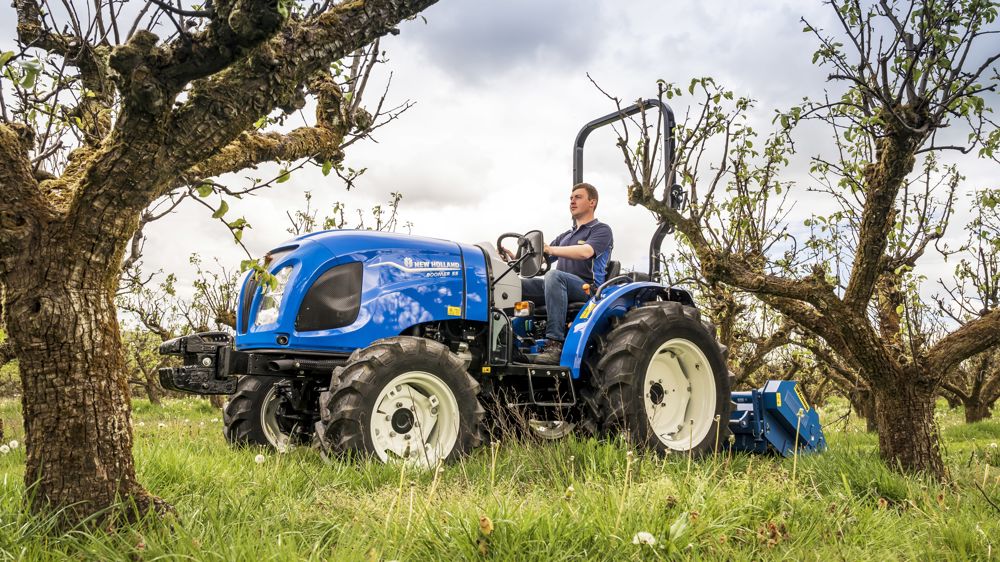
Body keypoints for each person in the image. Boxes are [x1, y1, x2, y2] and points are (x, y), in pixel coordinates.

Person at [521, 182, 613, 364]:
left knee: (553, 276)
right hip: (557, 286)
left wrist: (551, 249)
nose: (572, 201)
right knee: (517, 285)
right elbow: (543, 257)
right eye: (571, 198)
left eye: (578, 197)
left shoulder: (601, 230)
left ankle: (554, 344)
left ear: (592, 202)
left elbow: (586, 252)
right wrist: (515, 257)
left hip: (588, 290)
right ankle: (510, 340)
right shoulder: (566, 236)